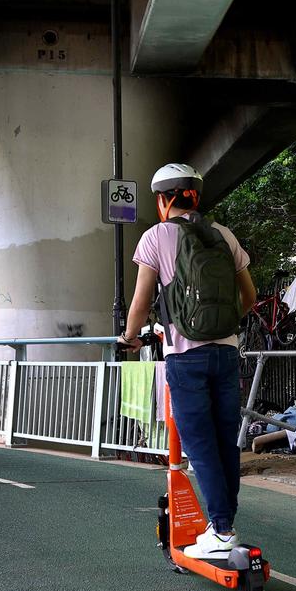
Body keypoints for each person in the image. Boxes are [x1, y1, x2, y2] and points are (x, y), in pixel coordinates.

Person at [118, 163, 256, 559]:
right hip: (227, 353)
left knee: (199, 445)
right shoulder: (223, 235)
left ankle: (223, 530)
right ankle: (224, 523)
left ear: (163, 200)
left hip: (186, 356)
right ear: (195, 196)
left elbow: (141, 304)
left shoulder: (156, 236)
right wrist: (221, 327)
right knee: (225, 442)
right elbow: (248, 297)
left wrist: (130, 338)